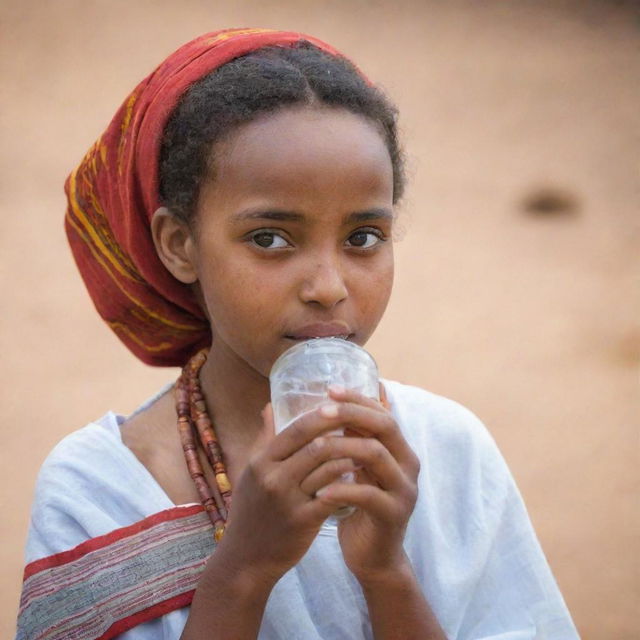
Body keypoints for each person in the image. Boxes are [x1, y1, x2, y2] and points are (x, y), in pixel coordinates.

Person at [16, 28, 579, 640]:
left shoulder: (446, 453)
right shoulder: (99, 487)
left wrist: (386, 571)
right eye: (269, 239)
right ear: (180, 245)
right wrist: (245, 567)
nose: (328, 287)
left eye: (363, 237)